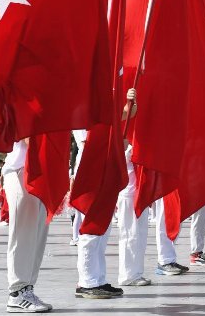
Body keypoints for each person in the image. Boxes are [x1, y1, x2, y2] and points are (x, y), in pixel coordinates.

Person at [75, 88, 137, 299]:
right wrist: (123, 110)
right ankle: (87, 281)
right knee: (92, 221)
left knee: (103, 222)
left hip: (104, 155)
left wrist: (126, 109)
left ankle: (98, 278)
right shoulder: (80, 96)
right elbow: (94, 119)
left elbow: (109, 118)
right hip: (91, 158)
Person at [3, 138, 53, 312]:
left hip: (42, 169)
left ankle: (28, 289)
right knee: (23, 234)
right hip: (21, 168)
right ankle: (17, 292)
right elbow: (27, 133)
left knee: (37, 236)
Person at [116, 143, 151, 287]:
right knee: (129, 234)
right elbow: (118, 158)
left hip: (139, 191)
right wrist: (131, 150)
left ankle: (136, 272)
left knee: (140, 234)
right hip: (128, 193)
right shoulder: (123, 137)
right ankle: (127, 274)